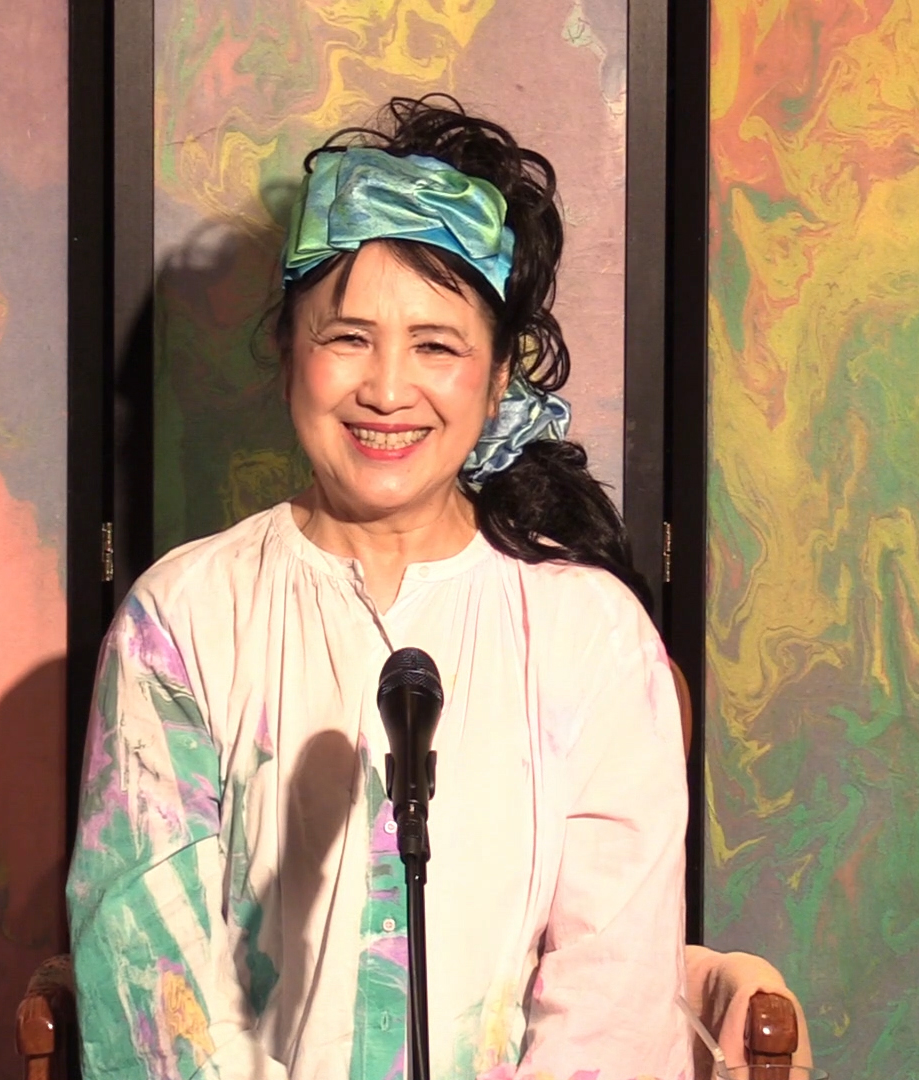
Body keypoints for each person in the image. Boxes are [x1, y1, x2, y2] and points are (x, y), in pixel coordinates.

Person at [67, 95, 789, 1080]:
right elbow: (155, 997)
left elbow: (612, 1005)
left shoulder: (593, 636)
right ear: (288, 352)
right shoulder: (181, 623)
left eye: (437, 346)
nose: (387, 389)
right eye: (348, 337)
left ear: (497, 381)